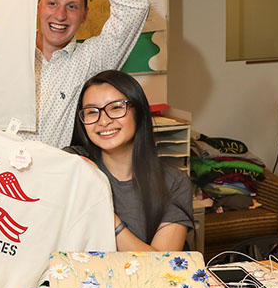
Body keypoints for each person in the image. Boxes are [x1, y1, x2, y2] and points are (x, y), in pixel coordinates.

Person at [20, 0, 150, 149]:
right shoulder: (8, 55)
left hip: (57, 178)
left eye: (72, 7)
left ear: (84, 15)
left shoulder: (92, 59)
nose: (60, 15)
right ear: (37, 7)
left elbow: (134, 6)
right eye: (52, 3)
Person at [70, 70, 192, 251]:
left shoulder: (174, 183)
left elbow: (160, 267)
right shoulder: (74, 165)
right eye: (91, 112)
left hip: (142, 280)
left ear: (139, 112)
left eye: (116, 108)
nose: (103, 121)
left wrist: (103, 208)